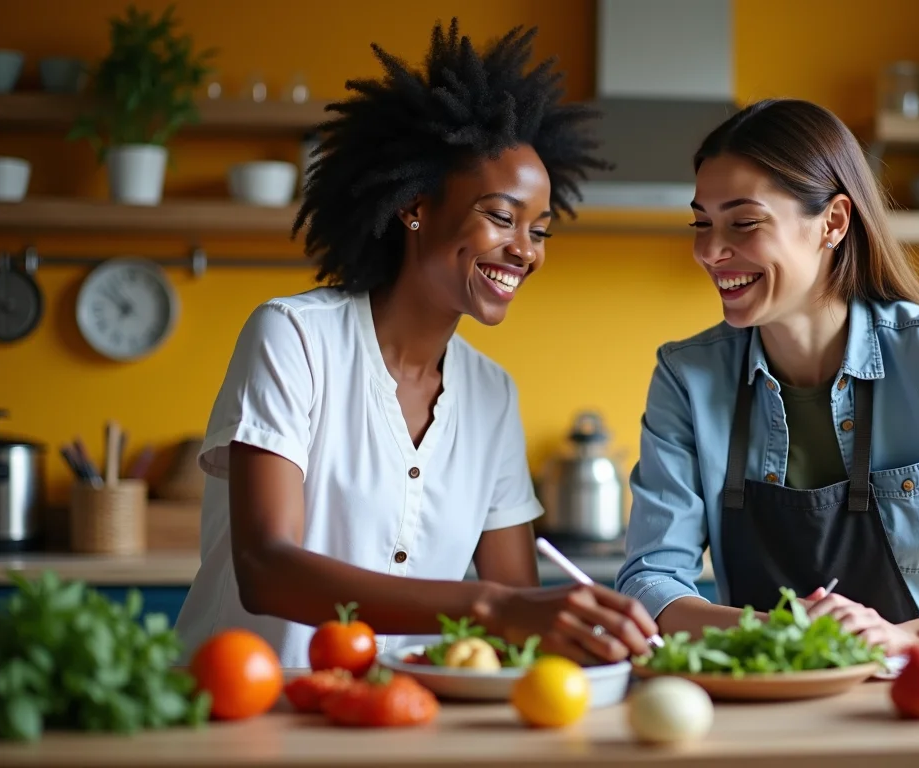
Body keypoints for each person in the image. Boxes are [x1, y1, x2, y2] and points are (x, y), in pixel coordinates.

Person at [176, 20, 655, 668]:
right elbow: (266, 568)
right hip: (254, 711)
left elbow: (517, 602)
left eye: (540, 230)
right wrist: (490, 607)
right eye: (500, 215)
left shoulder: (491, 393)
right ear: (415, 206)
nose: (525, 250)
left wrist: (576, 632)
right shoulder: (294, 338)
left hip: (404, 718)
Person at [615, 98, 919, 657]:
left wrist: (903, 640)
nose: (709, 250)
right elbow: (649, 582)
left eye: (743, 222)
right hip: (767, 698)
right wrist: (776, 633)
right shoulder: (687, 377)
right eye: (701, 222)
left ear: (833, 222)